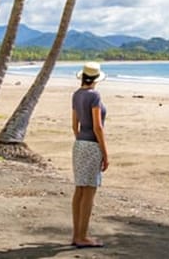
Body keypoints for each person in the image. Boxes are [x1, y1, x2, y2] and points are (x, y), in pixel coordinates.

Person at [71, 61, 108, 249]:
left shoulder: (76, 95)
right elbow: (97, 126)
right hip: (92, 145)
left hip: (79, 144)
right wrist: (104, 152)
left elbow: (74, 125)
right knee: (89, 192)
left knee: (79, 190)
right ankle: (82, 236)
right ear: (96, 79)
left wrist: (81, 141)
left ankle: (77, 234)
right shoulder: (94, 96)